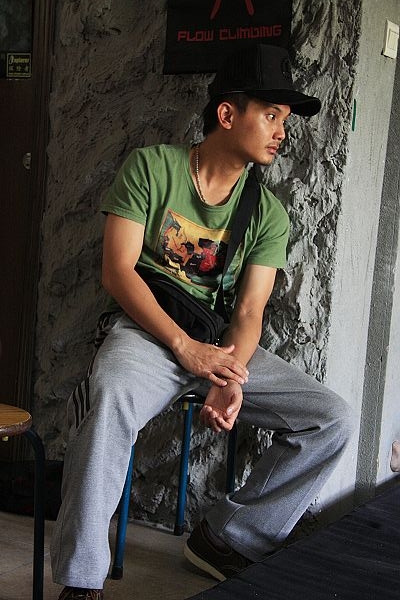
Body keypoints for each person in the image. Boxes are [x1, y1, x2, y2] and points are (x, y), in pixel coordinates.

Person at [51, 44, 353, 600]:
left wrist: (232, 375)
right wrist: (181, 346)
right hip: (148, 334)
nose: (281, 131)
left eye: (285, 120)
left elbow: (249, 311)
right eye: (271, 114)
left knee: (330, 418)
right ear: (227, 113)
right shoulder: (152, 167)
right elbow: (117, 272)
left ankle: (227, 537)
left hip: (217, 345)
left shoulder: (268, 213)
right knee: (110, 395)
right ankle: (81, 579)